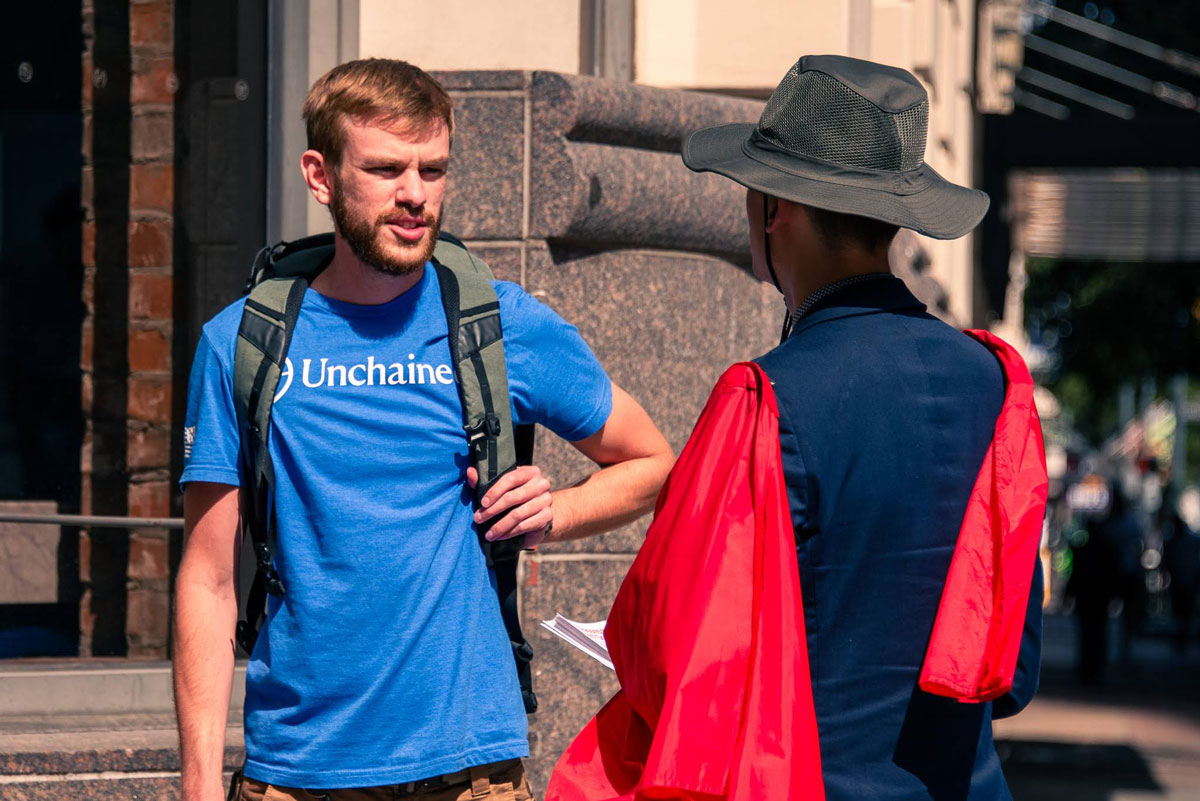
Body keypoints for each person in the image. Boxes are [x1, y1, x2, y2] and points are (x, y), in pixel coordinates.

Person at [173, 59, 674, 801]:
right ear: (320, 176)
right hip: (298, 772)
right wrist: (198, 786)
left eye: (432, 169)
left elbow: (655, 462)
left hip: (471, 772)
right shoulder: (241, 343)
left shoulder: (498, 324)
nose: (414, 194)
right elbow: (209, 579)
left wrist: (556, 510)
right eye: (385, 169)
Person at [676, 55, 1045, 800]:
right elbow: (1016, 667)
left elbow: (685, 647)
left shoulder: (764, 398)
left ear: (775, 208)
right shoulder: (998, 383)